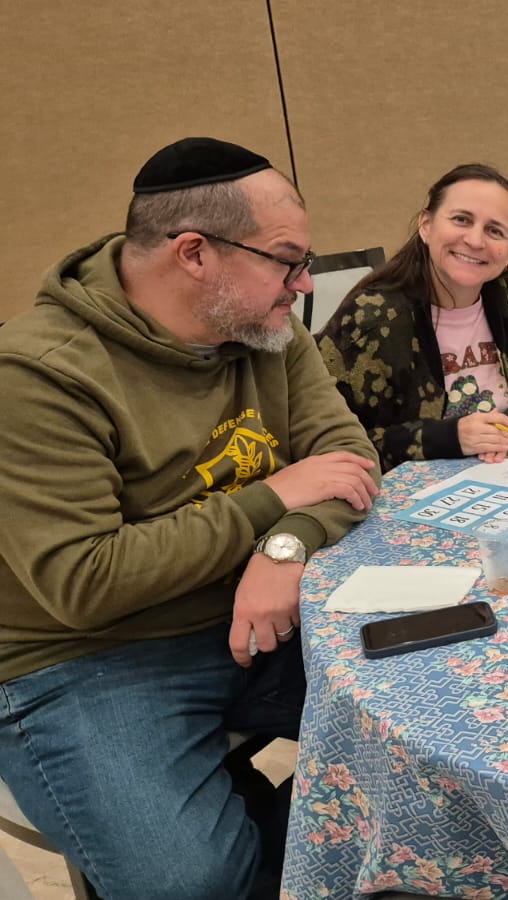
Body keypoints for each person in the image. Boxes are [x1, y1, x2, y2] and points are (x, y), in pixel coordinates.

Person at [0, 137, 381, 898]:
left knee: (446, 711)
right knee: (189, 881)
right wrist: (274, 498)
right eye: (287, 260)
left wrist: (284, 546)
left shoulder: (265, 327)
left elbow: (348, 461)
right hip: (91, 656)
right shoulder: (38, 374)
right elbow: (87, 583)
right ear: (195, 253)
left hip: (258, 608)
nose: (305, 284)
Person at [317, 163, 508, 472]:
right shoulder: (370, 319)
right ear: (426, 225)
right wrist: (448, 437)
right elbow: (329, 444)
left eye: (494, 230)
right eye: (461, 220)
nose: (475, 240)